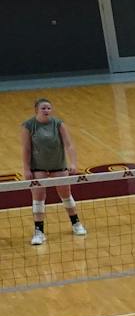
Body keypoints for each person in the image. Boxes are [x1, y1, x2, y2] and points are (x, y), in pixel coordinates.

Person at [22, 97, 86, 246]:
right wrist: (26, 168)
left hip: (58, 165)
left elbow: (69, 145)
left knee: (66, 195)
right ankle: (39, 232)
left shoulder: (58, 124)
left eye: (49, 108)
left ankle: (76, 224)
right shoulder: (28, 126)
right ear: (37, 110)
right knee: (38, 198)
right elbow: (26, 148)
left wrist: (74, 163)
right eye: (43, 108)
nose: (46, 111)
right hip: (38, 167)